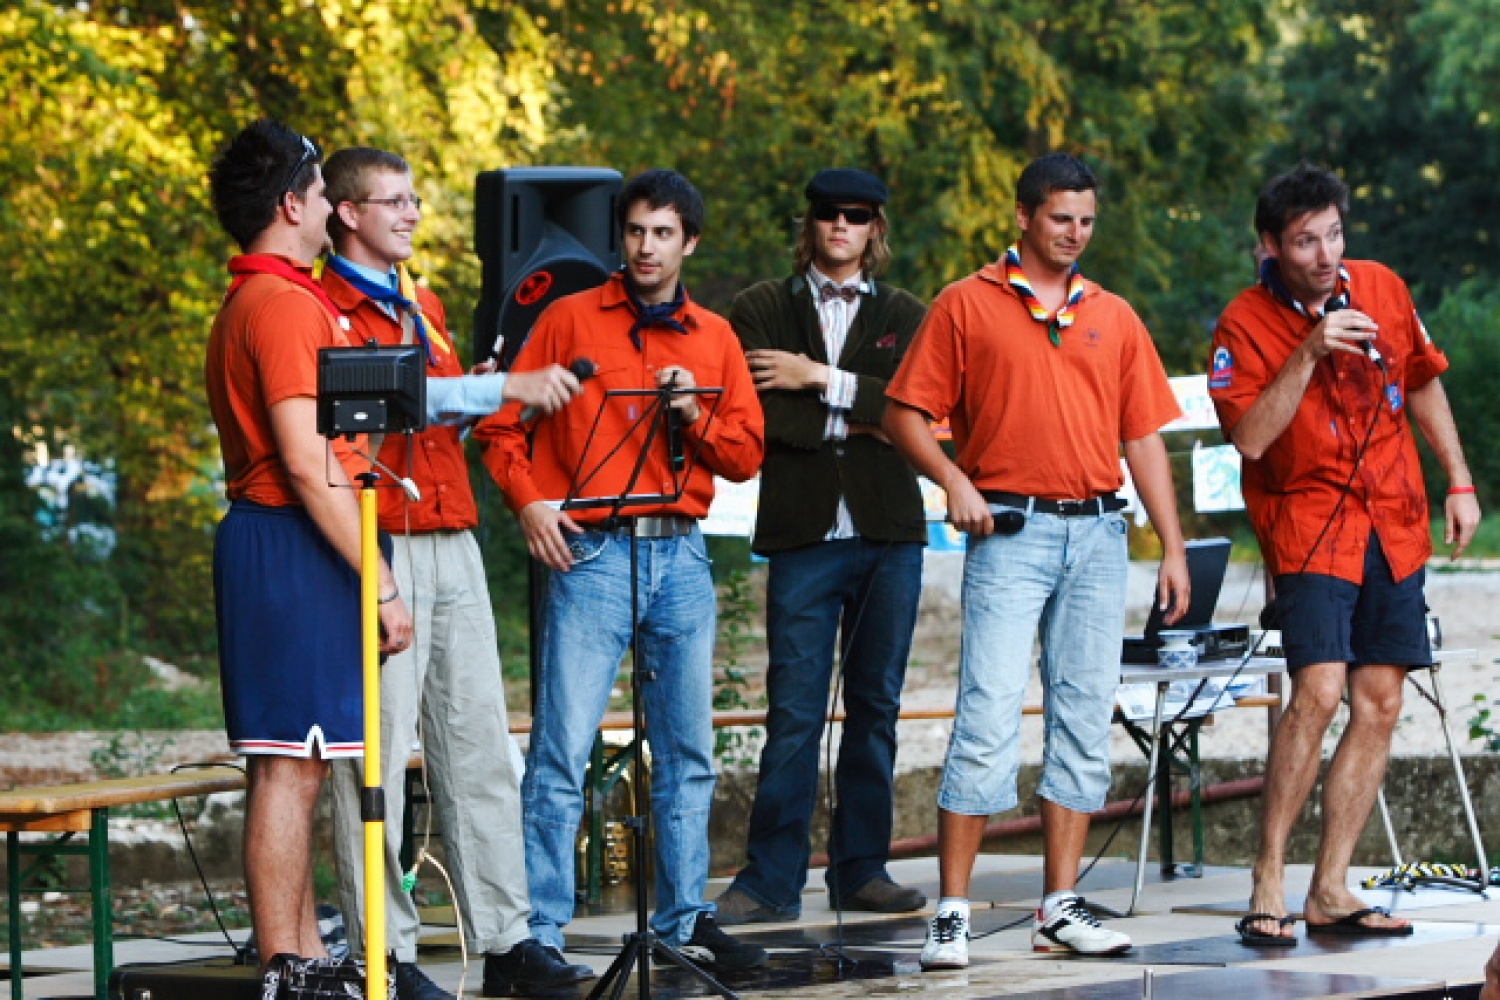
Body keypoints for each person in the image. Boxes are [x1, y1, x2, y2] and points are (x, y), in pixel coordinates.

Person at [883, 153, 1191, 967]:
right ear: (1022, 216)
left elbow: (1143, 436)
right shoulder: (965, 303)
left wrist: (1173, 544)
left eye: (1087, 220)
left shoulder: (1113, 314)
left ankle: (1060, 904)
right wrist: (951, 478)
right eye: (1061, 218)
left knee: (1084, 716)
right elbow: (903, 413)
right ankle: (951, 909)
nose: (1075, 234)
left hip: (1098, 535)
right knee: (985, 715)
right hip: (1009, 534)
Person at [315, 147, 593, 999]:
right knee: (378, 756)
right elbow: (387, 406)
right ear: (346, 214)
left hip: (453, 530)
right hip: (380, 538)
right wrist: (502, 387)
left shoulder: (423, 301)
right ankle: (384, 957)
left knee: (478, 747)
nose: (409, 213)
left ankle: (508, 940)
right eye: (389, 201)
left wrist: (480, 397)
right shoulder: (321, 306)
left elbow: (435, 415)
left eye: (413, 198)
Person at [473, 169, 768, 971]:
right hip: (594, 552)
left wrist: (692, 414)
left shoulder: (713, 335)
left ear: (689, 243)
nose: (646, 247)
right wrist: (532, 503)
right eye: (635, 232)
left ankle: (682, 919)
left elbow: (746, 455)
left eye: (663, 233)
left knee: (688, 752)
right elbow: (500, 430)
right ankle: (539, 932)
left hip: (681, 552)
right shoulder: (568, 318)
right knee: (563, 748)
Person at [1209, 163, 1480, 945]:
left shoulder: (1383, 287)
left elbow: (1423, 381)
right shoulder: (1242, 323)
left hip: (1392, 519)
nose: (1325, 254)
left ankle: (1331, 886)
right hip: (1309, 522)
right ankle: (1269, 876)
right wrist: (1310, 348)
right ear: (1270, 246)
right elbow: (1252, 439)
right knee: (1319, 691)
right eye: (1304, 241)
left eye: (1333, 234)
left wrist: (1458, 480)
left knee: (1382, 703)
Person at [205, 120, 415, 991]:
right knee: (290, 768)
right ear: (291, 204)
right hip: (287, 541)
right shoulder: (284, 304)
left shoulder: (268, 296)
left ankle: (302, 952)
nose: (334, 207)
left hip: (282, 541)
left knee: (304, 757)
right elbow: (305, 459)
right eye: (325, 194)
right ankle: (285, 962)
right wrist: (383, 580)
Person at [714, 168, 928, 924]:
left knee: (876, 708)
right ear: (811, 224)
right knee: (794, 712)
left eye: (858, 216)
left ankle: (861, 870)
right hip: (803, 536)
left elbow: (918, 414)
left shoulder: (907, 312)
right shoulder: (760, 307)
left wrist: (816, 379)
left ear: (875, 229)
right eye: (830, 215)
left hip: (889, 537)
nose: (842, 226)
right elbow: (763, 421)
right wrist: (863, 409)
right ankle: (771, 878)